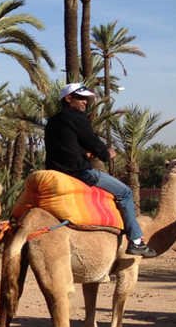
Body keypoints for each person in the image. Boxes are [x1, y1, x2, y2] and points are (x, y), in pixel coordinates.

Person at [45, 82, 156, 257]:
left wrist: (85, 154)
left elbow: (65, 147)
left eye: (86, 99)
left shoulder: (52, 121)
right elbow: (93, 141)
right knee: (126, 193)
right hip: (80, 173)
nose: (85, 102)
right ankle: (136, 241)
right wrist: (106, 153)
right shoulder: (76, 117)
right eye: (80, 98)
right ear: (68, 98)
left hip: (55, 172)